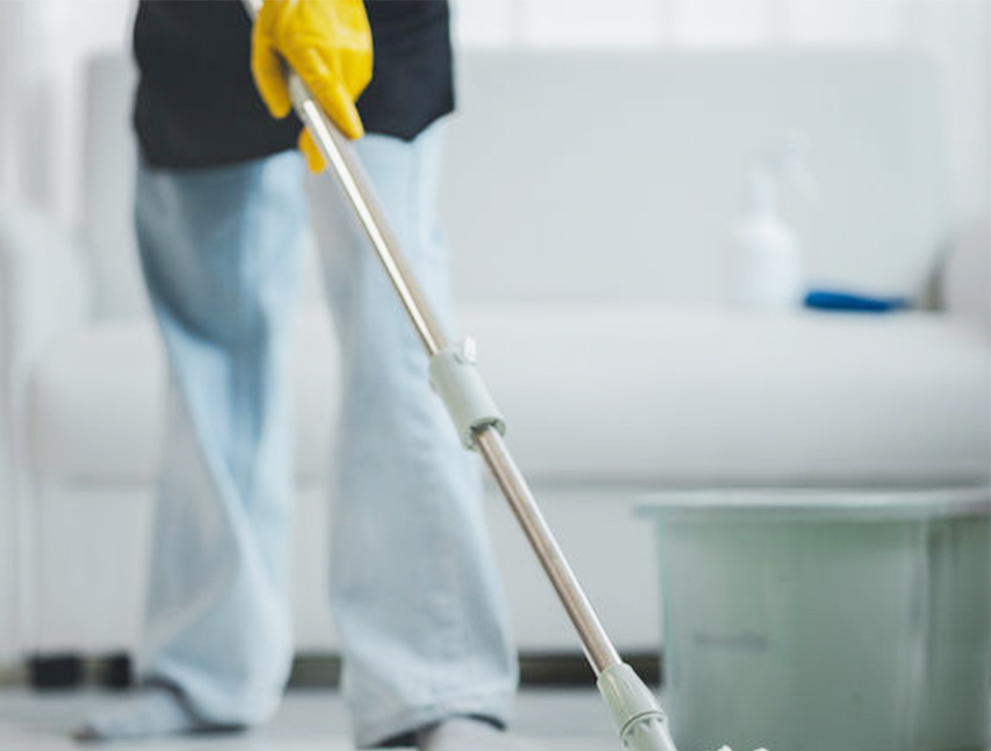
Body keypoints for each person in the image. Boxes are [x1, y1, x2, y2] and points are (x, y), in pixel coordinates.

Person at [75, 2, 537, 749]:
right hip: (202, 31)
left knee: (395, 323)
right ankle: (206, 668)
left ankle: (434, 683)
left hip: (369, 23)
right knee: (210, 347)